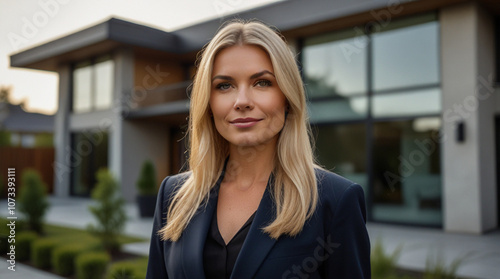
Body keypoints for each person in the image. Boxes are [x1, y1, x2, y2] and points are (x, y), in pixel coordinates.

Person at [146, 19, 371, 279]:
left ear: (287, 98)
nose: (242, 101)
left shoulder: (335, 201)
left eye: (262, 82)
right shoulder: (173, 196)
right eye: (224, 85)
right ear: (208, 103)